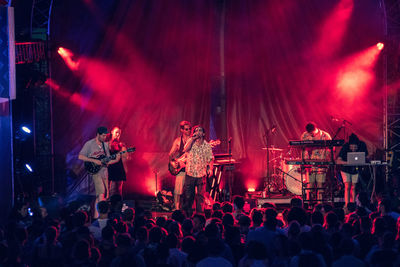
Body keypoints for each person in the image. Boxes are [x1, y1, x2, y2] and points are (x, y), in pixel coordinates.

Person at [78, 126, 120, 218]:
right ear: (98, 135)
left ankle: (96, 217)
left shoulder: (105, 145)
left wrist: (116, 160)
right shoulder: (89, 144)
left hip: (104, 172)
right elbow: (80, 156)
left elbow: (107, 161)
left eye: (106, 136)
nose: (105, 137)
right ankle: (100, 218)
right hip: (96, 172)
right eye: (103, 136)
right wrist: (94, 161)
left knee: (102, 195)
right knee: (101, 193)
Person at [181, 125, 214, 217]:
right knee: (189, 196)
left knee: (200, 196)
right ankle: (188, 216)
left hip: (201, 174)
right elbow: (185, 149)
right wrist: (192, 138)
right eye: (196, 130)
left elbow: (210, 158)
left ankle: (200, 216)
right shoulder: (190, 142)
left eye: (200, 130)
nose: (198, 132)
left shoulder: (206, 146)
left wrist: (210, 169)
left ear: (203, 133)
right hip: (190, 174)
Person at [301, 122, 332, 202]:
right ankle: (309, 204)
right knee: (309, 186)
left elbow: (331, 148)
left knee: (320, 185)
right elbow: (302, 149)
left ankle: (320, 203)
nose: (311, 134)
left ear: (316, 129)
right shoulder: (304, 135)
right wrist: (305, 163)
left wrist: (325, 159)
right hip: (309, 164)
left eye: (312, 132)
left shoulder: (325, 135)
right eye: (309, 133)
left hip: (321, 164)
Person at [336, 133, 368, 207]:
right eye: (352, 147)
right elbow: (338, 161)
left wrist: (362, 160)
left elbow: (366, 156)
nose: (353, 149)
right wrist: (348, 162)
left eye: (355, 147)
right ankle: (347, 205)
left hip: (356, 169)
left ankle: (353, 204)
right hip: (345, 169)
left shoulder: (362, 145)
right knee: (347, 186)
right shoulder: (345, 147)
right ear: (349, 145)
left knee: (354, 186)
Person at [169, 121, 192, 210]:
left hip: (191, 168)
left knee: (192, 191)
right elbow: (170, 154)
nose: (189, 131)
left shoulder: (193, 141)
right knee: (178, 190)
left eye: (190, 129)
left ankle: (191, 209)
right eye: (186, 129)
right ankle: (177, 209)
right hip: (182, 168)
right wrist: (172, 163)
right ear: (181, 130)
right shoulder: (178, 141)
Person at [108, 126, 128, 197]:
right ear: (112, 132)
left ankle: (118, 205)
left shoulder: (121, 145)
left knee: (119, 190)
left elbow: (125, 157)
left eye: (119, 133)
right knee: (110, 189)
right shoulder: (107, 144)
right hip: (110, 168)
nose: (118, 134)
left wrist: (124, 150)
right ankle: (108, 204)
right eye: (116, 132)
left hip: (119, 168)